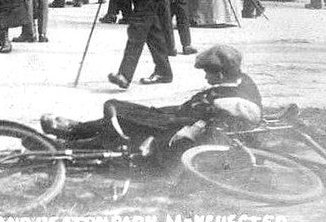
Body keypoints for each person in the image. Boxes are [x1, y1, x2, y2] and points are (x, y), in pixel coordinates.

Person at [42, 45, 261, 157]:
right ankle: (75, 130)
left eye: (208, 73)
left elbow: (249, 112)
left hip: (178, 124)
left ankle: (71, 139)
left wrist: (213, 107)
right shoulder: (239, 79)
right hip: (176, 116)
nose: (206, 77)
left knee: (125, 120)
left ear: (221, 74)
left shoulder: (237, 97)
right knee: (125, 117)